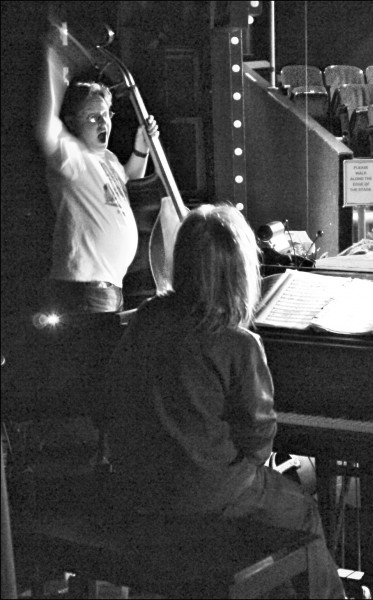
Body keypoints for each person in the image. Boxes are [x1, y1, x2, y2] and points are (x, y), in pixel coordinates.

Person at [101, 204, 345, 598]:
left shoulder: (147, 318)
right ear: (240, 271)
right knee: (302, 512)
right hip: (205, 497)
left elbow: (114, 395)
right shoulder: (238, 342)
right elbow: (259, 441)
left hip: (141, 489)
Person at [35, 36, 157, 314]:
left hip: (108, 286)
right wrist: (54, 60)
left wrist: (142, 149)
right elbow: (45, 126)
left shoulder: (109, 159)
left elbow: (123, 189)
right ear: (73, 122)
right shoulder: (72, 156)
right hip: (84, 286)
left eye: (106, 115)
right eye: (93, 118)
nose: (104, 123)